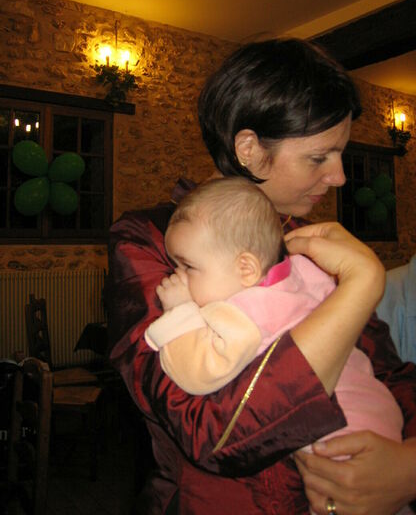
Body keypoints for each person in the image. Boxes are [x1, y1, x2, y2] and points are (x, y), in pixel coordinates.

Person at [107, 38, 416, 515]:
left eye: (340, 154)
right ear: (249, 149)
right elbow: (208, 431)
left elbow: (389, 374)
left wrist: (410, 466)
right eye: (319, 157)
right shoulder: (153, 241)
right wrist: (361, 286)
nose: (339, 177)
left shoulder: (315, 246)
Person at [144, 177, 411, 515]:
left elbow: (200, 372)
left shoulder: (243, 312)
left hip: (342, 438)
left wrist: (179, 312)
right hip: (381, 413)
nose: (178, 276)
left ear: (245, 267)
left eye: (188, 266)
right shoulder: (302, 271)